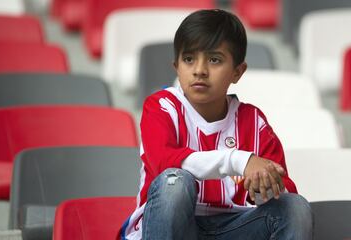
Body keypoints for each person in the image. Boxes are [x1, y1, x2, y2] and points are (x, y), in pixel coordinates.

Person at [121, 9, 312, 240]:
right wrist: (240, 161)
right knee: (174, 182)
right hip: (169, 229)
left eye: (214, 60)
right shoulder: (161, 106)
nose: (199, 70)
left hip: (233, 228)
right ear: (176, 67)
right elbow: (163, 162)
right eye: (189, 59)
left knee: (295, 207)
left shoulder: (254, 121)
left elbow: (285, 190)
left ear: (238, 72)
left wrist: (263, 188)